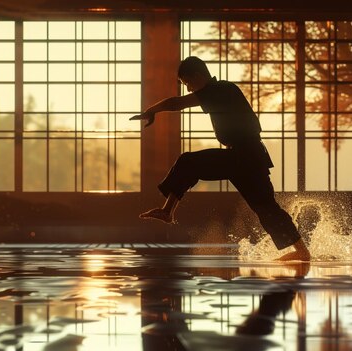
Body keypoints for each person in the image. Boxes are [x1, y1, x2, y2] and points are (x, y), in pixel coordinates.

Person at [130, 56, 310, 261]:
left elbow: (178, 103)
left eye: (187, 82)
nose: (188, 89)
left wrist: (151, 110)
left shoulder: (220, 90)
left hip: (245, 155)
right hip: (243, 156)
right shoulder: (217, 92)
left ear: (198, 76)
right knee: (264, 206)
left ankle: (302, 252)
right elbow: (182, 101)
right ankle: (301, 251)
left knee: (264, 205)